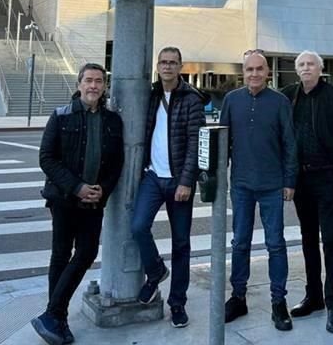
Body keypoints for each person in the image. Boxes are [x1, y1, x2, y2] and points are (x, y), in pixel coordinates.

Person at [32, 63, 124, 345]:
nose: (93, 86)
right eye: (89, 81)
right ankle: (58, 318)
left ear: (105, 86)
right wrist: (77, 187)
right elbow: (47, 158)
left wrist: (102, 191)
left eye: (99, 81)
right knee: (60, 255)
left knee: (86, 253)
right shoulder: (61, 117)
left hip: (94, 202)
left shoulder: (112, 121)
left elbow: (117, 161)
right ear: (79, 84)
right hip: (63, 199)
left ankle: (52, 315)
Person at [280, 51, 333, 334]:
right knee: (308, 239)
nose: (305, 68)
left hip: (328, 177)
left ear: (320, 68)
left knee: (331, 240)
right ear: (296, 70)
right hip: (300, 179)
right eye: (301, 64)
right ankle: (314, 296)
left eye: (310, 64)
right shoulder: (288, 95)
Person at [130, 46, 206, 329]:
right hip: (152, 177)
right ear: (157, 66)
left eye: (173, 62)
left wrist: (186, 181)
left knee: (181, 244)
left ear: (180, 67)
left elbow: (196, 144)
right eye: (163, 62)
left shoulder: (191, 99)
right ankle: (156, 271)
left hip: (178, 181)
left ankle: (177, 303)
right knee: (138, 227)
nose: (167, 67)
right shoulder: (149, 95)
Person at [222, 50, 298, 331]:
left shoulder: (280, 102)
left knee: (276, 244)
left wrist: (289, 181)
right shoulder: (231, 100)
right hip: (241, 185)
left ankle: (279, 302)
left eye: (259, 69)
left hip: (272, 186)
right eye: (249, 69)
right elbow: (224, 143)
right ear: (243, 72)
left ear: (268, 72)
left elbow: (290, 143)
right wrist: (219, 180)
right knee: (239, 242)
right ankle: (238, 297)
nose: (254, 74)